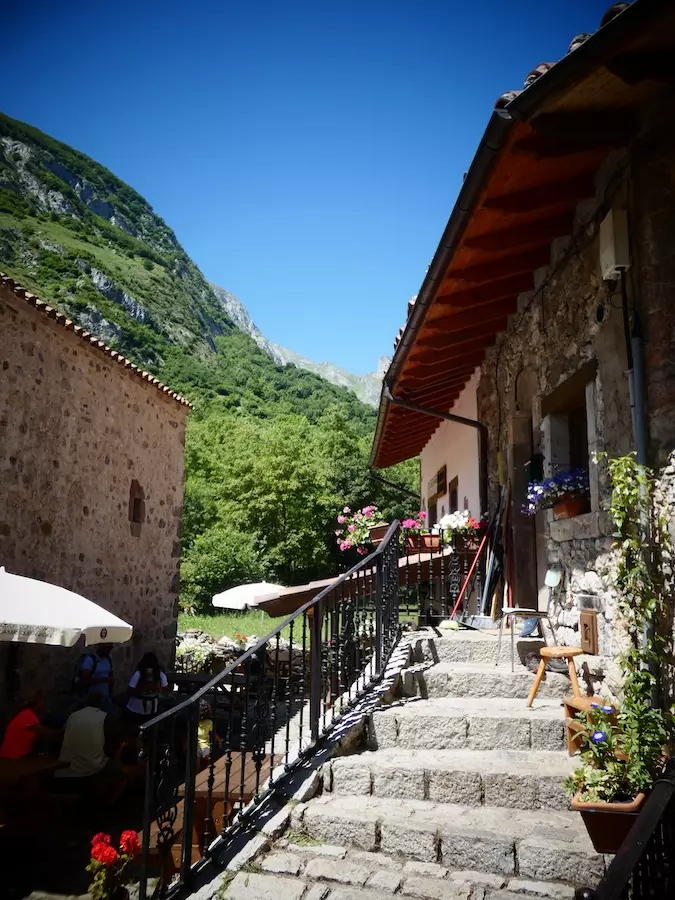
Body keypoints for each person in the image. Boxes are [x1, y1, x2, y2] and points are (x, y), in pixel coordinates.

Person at [54, 690, 126, 801]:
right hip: (89, 762)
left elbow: (62, 734)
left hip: (73, 759)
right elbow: (112, 739)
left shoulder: (74, 716)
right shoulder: (104, 718)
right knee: (121, 773)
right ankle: (108, 801)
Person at [0, 691, 60, 759]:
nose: (45, 705)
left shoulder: (26, 713)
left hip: (13, 757)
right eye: (44, 701)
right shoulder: (28, 716)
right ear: (39, 702)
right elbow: (47, 733)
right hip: (11, 758)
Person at [125, 652, 169, 725]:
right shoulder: (138, 674)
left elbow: (166, 692)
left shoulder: (160, 675)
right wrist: (143, 687)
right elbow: (129, 691)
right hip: (136, 709)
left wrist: (158, 687)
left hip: (152, 710)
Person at [74, 644, 114, 708]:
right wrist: (104, 680)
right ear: (100, 647)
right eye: (106, 647)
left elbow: (110, 676)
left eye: (110, 648)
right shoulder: (90, 659)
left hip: (105, 698)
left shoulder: (108, 659)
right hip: (91, 700)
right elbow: (84, 679)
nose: (109, 650)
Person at [196, 699, 221, 771]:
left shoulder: (195, 722)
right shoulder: (209, 722)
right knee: (208, 765)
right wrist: (219, 741)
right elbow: (214, 734)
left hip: (196, 746)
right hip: (205, 747)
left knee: (197, 767)